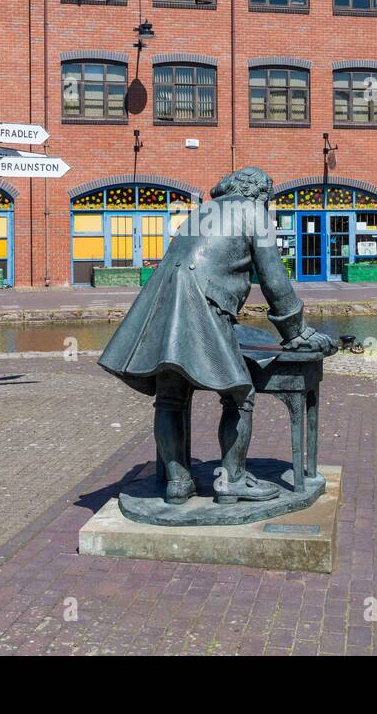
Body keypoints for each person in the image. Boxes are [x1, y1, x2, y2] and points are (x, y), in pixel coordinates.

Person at [99, 167, 336, 505]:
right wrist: (296, 330)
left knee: (170, 396)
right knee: (239, 393)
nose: (267, 205)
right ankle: (232, 481)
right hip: (204, 302)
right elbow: (274, 279)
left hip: (163, 303)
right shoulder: (252, 211)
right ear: (259, 193)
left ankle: (178, 482)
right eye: (267, 198)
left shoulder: (201, 212)